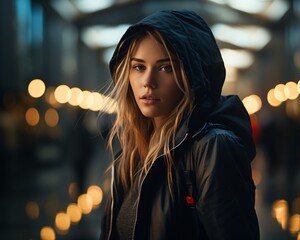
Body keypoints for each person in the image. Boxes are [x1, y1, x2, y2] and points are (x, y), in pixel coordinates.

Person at [100, 10, 260, 240]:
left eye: (165, 67)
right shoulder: (131, 153)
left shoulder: (214, 148)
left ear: (193, 75)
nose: (148, 82)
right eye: (139, 67)